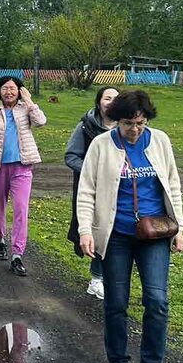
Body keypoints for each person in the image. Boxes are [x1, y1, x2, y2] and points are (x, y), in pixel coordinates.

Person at [76, 89, 183, 363]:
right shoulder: (101, 145)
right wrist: (86, 231)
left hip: (155, 235)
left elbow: (173, 185)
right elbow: (86, 192)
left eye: (139, 122)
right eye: (127, 123)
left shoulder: (161, 142)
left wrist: (179, 227)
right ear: (117, 121)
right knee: (116, 302)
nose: (134, 129)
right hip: (117, 236)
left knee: (157, 300)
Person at [0, 75, 47, 277]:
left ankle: (17, 254)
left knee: (21, 210)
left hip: (22, 168)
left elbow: (41, 122)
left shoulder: (25, 109)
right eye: (5, 88)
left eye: (13, 88)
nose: (9, 92)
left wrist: (30, 101)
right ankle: (0, 239)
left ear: (20, 90)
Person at [64, 86, 120, 300]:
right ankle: (96, 279)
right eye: (107, 98)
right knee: (100, 231)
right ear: (99, 102)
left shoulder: (126, 127)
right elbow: (71, 156)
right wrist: (94, 174)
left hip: (120, 191)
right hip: (92, 190)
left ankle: (109, 277)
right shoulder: (86, 127)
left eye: (116, 98)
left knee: (115, 232)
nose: (112, 102)